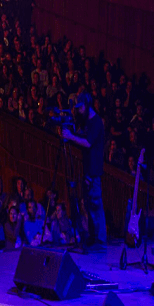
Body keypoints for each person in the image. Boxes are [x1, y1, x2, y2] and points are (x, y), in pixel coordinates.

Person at [62, 93, 107, 245]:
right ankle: (95, 239)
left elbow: (87, 143)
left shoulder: (96, 122)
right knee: (90, 206)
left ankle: (100, 240)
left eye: (80, 108)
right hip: (88, 170)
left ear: (87, 105)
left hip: (94, 170)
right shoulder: (88, 121)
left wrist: (70, 136)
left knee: (95, 205)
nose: (79, 111)